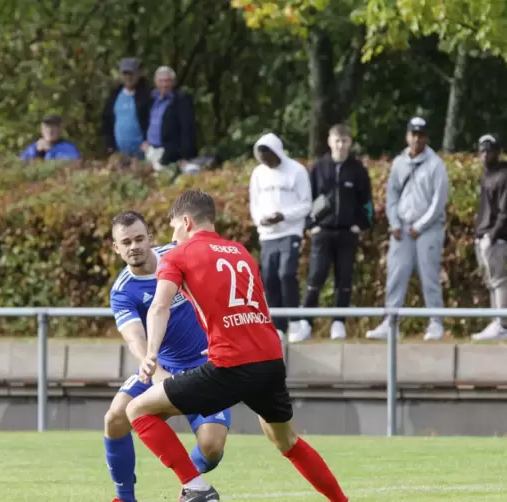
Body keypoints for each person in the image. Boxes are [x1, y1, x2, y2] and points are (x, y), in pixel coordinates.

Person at [125, 190, 348, 502]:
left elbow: (159, 307)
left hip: (232, 366)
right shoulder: (240, 252)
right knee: (287, 442)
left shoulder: (178, 255)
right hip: (270, 360)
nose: (172, 236)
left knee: (137, 410)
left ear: (186, 222)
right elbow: (253, 310)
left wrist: (151, 354)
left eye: (174, 226)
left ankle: (196, 487)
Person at [106, 210, 230, 502]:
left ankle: (192, 481)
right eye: (126, 242)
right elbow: (134, 336)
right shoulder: (122, 291)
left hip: (206, 366)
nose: (134, 246)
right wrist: (152, 366)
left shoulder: (179, 254)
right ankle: (125, 499)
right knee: (115, 417)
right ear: (117, 248)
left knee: (212, 448)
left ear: (150, 237)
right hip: (162, 368)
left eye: (139, 238)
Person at [366, 117, 448, 341]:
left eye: (421, 135)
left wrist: (420, 226)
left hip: (428, 229)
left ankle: (436, 323)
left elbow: (439, 201)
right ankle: (390, 323)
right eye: (413, 134)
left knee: (429, 275)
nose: (417, 139)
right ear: (407, 136)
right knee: (395, 275)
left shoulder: (435, 164)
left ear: (427, 138)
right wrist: (394, 222)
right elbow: (391, 194)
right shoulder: (399, 162)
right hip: (401, 228)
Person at [296, 124, 374, 341]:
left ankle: (339, 322)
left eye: (345, 141)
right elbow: (307, 199)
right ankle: (306, 323)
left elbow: (366, 201)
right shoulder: (319, 168)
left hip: (348, 232)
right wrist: (311, 225)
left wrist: (362, 224)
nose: (340, 145)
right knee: (316, 277)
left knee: (344, 279)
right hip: (323, 231)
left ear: (350, 143)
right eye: (337, 141)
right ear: (330, 142)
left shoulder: (358, 169)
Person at [249, 132, 312, 342]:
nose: (266, 161)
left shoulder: (296, 170)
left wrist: (283, 216)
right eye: (262, 158)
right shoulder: (258, 174)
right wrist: (262, 221)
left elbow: (306, 204)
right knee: (269, 278)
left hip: (289, 231)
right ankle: (278, 326)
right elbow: (254, 204)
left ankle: (295, 322)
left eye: (269, 156)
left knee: (286, 274)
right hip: (267, 235)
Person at [472, 134, 507, 340]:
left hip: (495, 237)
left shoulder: (504, 175)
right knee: (490, 282)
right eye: (482, 150)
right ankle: (495, 322)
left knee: (498, 281)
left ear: (498, 151)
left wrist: (492, 235)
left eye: (489, 150)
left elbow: (504, 211)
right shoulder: (486, 174)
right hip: (483, 234)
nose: (485, 154)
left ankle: (502, 324)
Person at [142, 66, 197, 172]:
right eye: (161, 81)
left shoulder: (181, 100)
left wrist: (185, 156)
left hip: (169, 152)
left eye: (167, 81)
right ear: (155, 82)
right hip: (150, 150)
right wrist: (145, 140)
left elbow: (187, 129)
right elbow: (146, 122)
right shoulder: (152, 99)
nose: (164, 84)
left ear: (173, 82)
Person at [101, 58, 152, 161]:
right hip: (120, 154)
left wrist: (148, 141)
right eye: (125, 74)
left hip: (143, 154)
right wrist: (109, 145)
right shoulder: (114, 95)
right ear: (120, 75)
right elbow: (106, 121)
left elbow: (153, 122)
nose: (128, 77)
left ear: (138, 74)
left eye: (132, 73)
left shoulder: (147, 96)